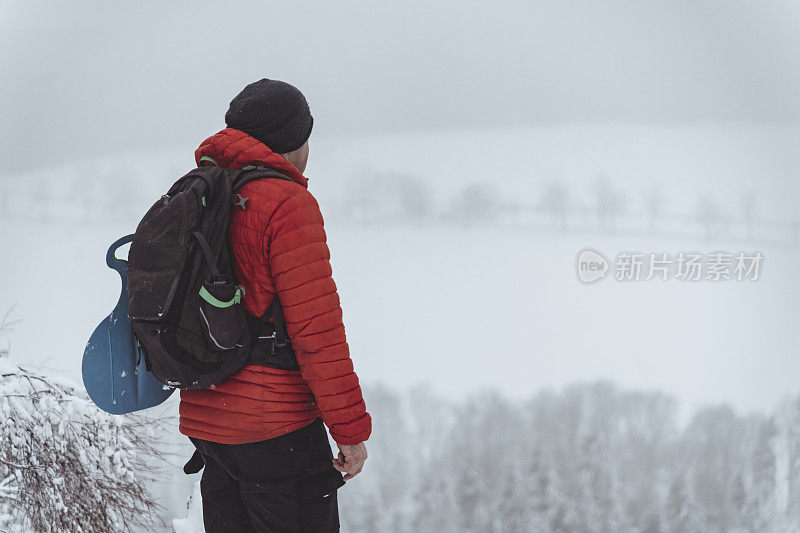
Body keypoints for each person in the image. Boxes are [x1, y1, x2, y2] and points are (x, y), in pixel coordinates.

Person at [179, 78, 371, 533]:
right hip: (276, 431)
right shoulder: (287, 203)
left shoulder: (198, 191)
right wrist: (351, 432)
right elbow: (317, 334)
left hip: (208, 424)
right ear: (292, 141)